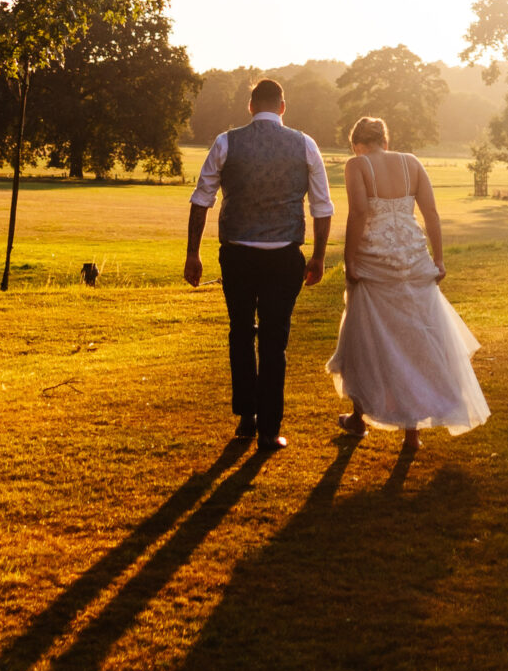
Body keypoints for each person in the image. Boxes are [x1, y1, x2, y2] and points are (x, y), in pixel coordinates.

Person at [184, 77, 333, 454]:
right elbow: (321, 206)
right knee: (274, 340)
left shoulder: (226, 141)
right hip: (284, 254)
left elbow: (202, 199)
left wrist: (193, 253)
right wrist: (318, 255)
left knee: (240, 331)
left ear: (251, 106)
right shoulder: (304, 144)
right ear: (283, 106)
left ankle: (246, 416)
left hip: (238, 253)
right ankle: (269, 429)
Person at [327, 116, 490, 448]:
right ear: (384, 141)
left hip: (375, 262)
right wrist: (439, 258)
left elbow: (358, 213)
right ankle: (410, 433)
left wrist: (350, 260)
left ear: (357, 144)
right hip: (413, 261)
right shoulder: (411, 163)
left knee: (365, 335)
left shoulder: (356, 166)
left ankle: (359, 419)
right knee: (414, 338)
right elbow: (431, 213)